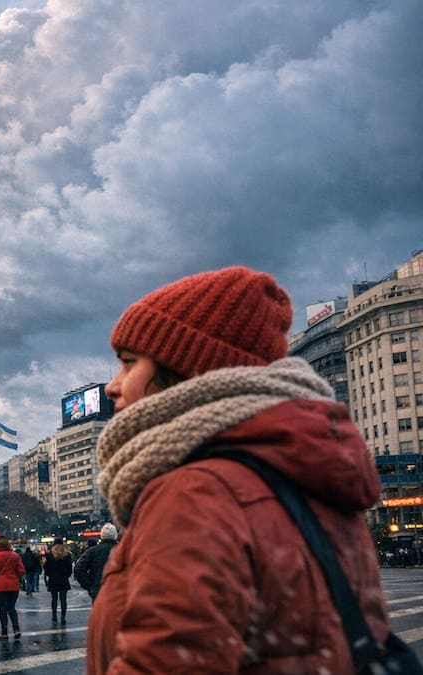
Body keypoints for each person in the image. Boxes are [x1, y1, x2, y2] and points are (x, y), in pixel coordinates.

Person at [86, 266, 391, 673]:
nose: (112, 385)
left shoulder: (196, 491)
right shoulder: (306, 475)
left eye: (128, 362)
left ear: (188, 368)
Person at [0, 538, 26, 640]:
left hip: (0, 585)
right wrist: (15, 576)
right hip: (13, 585)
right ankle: (16, 629)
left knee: (3, 609)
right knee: (11, 608)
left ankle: (4, 632)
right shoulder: (15, 556)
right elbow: (21, 571)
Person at [73, 523, 119, 603]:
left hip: (98, 589)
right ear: (115, 535)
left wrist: (89, 586)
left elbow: (79, 569)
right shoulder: (125, 550)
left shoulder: (92, 551)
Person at [44, 540, 74, 624]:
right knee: (63, 599)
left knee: (54, 599)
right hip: (63, 579)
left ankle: (54, 616)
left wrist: (49, 575)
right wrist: (66, 575)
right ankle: (63, 617)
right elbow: (70, 569)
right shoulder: (67, 555)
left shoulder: (49, 555)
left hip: (53, 579)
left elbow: (46, 568)